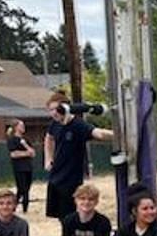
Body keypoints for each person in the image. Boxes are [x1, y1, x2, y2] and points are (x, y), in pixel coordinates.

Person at [44, 91, 113, 220]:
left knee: (70, 215)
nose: (53, 113)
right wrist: (48, 158)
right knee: (59, 215)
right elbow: (49, 137)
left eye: (56, 109)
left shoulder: (78, 124)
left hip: (71, 179)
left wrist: (120, 134)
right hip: (55, 176)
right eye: (50, 110)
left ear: (66, 107)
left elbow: (99, 134)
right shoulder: (55, 124)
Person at [6, 119, 36, 213]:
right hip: (19, 168)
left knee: (24, 189)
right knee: (23, 189)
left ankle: (13, 206)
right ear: (16, 127)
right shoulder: (12, 140)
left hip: (28, 167)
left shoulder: (25, 140)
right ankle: (25, 209)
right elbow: (13, 154)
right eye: (21, 125)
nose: (23, 127)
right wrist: (26, 153)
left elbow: (33, 153)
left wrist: (25, 145)